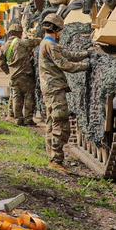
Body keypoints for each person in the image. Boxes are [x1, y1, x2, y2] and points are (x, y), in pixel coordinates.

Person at [38, 12, 89, 172]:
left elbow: (67, 54)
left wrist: (86, 54)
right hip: (54, 89)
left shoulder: (47, 43)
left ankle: (52, 158)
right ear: (57, 29)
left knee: (52, 123)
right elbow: (64, 64)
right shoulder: (50, 45)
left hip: (50, 88)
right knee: (61, 124)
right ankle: (56, 161)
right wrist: (86, 66)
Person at [0, 24, 41, 125]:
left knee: (16, 97)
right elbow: (35, 41)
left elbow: (1, 63)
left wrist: (8, 71)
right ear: (18, 33)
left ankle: (18, 119)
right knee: (29, 96)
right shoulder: (22, 43)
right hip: (25, 75)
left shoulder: (4, 46)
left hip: (13, 76)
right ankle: (28, 119)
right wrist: (41, 38)